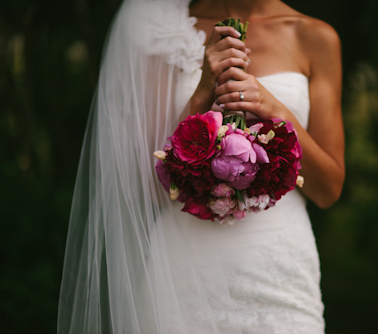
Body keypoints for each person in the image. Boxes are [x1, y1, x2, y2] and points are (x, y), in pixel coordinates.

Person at [57, 0, 344, 333]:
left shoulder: (314, 36)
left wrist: (276, 111)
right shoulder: (163, 32)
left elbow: (328, 189)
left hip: (278, 270)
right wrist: (202, 91)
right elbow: (147, 189)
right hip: (184, 272)